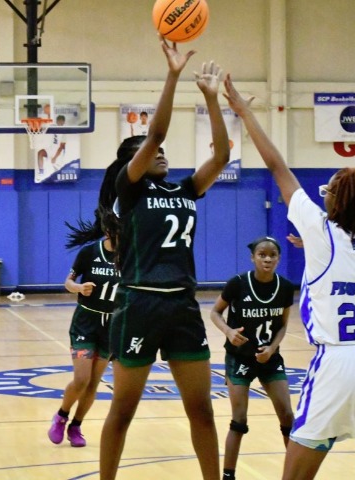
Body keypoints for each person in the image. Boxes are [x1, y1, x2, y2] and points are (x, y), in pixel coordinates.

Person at [224, 76, 355, 480]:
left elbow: (277, 166)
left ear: (340, 200)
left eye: (328, 191)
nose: (324, 195)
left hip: (338, 361)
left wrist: (244, 112)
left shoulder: (321, 229)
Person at [97, 36, 229, 480]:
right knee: (123, 410)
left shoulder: (187, 189)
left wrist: (211, 99)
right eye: (151, 151)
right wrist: (173, 76)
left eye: (163, 152)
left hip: (182, 305)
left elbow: (223, 155)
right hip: (139, 302)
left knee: (202, 411)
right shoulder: (130, 190)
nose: (161, 153)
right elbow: (156, 134)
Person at [210, 236, 295, 480]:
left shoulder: (285, 287)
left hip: (269, 359)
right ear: (253, 258)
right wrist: (228, 331)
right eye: (262, 254)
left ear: (278, 259)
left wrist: (272, 349)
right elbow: (215, 312)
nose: (267, 259)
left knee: (287, 415)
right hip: (239, 358)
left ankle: (295, 473)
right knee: (239, 419)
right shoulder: (238, 283)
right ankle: (228, 475)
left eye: (272, 255)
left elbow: (283, 325)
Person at [48, 209, 120, 448]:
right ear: (109, 231)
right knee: (81, 379)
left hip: (111, 325)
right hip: (86, 322)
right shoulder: (89, 252)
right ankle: (61, 416)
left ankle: (76, 425)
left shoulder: (130, 256)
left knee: (93, 383)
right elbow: (68, 282)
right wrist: (78, 288)